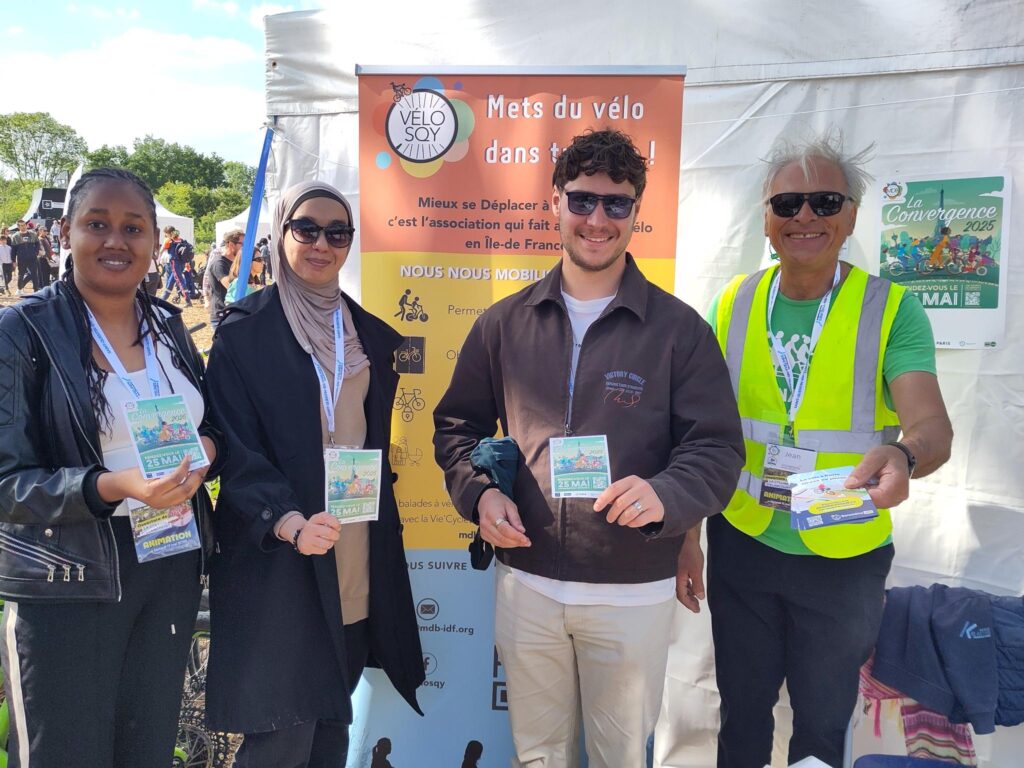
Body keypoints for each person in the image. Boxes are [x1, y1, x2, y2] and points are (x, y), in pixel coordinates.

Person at [433, 129, 745, 768]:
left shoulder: (679, 330)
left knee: (619, 759)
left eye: (616, 203)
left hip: (632, 592)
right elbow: (455, 428)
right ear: (555, 202)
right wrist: (481, 495)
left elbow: (716, 449)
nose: (597, 220)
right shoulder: (503, 323)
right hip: (527, 584)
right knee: (539, 757)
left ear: (636, 212)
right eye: (581, 200)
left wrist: (665, 494)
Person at [676, 131, 954, 768]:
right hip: (744, 541)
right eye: (788, 203)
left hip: (843, 556)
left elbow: (931, 424)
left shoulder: (891, 310)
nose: (805, 215)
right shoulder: (732, 303)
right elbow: (701, 433)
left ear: (851, 216)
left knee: (823, 729)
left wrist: (906, 456)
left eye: (826, 202)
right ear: (766, 220)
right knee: (741, 718)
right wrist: (688, 536)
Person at [0, 167, 226, 767]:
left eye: (133, 227)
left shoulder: (168, 327)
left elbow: (211, 425)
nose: (115, 241)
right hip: (68, 578)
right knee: (64, 754)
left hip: (168, 561)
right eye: (97, 224)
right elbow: (6, 483)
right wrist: (111, 487)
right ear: (65, 234)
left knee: (144, 750)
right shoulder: (22, 332)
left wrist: (206, 451)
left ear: (154, 240)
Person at [205, 180, 424, 767]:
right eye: (306, 229)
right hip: (280, 554)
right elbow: (233, 448)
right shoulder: (243, 333)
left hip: (352, 551)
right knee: (281, 738)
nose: (321, 244)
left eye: (337, 232)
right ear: (281, 234)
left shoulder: (368, 334)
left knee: (330, 731)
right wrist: (286, 519)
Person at [208, 228, 242, 328]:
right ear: (231, 245)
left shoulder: (237, 263)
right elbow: (230, 286)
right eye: (242, 244)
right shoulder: (219, 263)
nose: (245, 248)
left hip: (234, 313)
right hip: (222, 316)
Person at [10, 219, 39, 295]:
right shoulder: (15, 236)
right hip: (21, 258)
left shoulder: (33, 234)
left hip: (32, 257)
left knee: (34, 274)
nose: (23, 227)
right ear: (18, 227)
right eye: (21, 225)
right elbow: (13, 250)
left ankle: (36, 290)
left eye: (24, 225)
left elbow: (37, 243)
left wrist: (35, 252)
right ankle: (19, 289)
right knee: (21, 274)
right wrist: (13, 260)